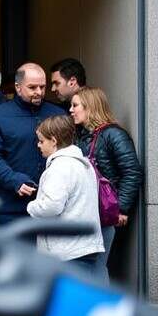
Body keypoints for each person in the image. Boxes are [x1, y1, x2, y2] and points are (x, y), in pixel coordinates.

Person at [71, 87, 143, 278]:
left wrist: (122, 209)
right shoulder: (82, 135)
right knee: (89, 268)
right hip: (89, 212)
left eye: (75, 105)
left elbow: (132, 171)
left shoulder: (113, 134)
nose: (71, 110)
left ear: (90, 107)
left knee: (96, 267)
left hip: (105, 213)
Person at [0, 62, 65, 220]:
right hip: (11, 207)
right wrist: (13, 180)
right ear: (18, 87)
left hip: (52, 207)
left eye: (42, 87)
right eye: (32, 87)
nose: (39, 92)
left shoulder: (58, 115)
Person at [28, 115, 104, 269]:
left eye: (42, 141)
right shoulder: (84, 164)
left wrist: (31, 206)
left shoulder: (59, 167)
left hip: (66, 249)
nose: (38, 145)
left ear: (54, 141)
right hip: (86, 245)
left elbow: (52, 206)